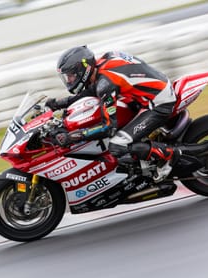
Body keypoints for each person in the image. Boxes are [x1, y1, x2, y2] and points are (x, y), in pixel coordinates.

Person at [46, 45, 180, 182]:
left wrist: (73, 137)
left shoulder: (106, 84)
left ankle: (167, 154)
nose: (69, 80)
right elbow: (94, 89)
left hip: (158, 103)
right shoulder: (103, 62)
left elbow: (109, 127)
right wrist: (62, 102)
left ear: (83, 69)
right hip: (148, 93)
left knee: (117, 144)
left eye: (71, 75)